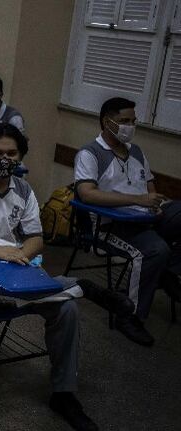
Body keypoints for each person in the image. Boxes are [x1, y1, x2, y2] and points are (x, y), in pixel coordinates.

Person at [0, 123, 98, 430]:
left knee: (66, 309)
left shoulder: (22, 189)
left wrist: (23, 252)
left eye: (11, 153)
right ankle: (78, 287)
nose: (4, 159)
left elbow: (36, 238)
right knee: (63, 294)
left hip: (16, 275)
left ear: (20, 155)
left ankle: (63, 394)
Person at [74, 97, 181, 347]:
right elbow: (86, 193)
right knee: (156, 250)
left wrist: (153, 203)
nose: (130, 126)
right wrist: (139, 200)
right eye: (124, 121)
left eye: (133, 121)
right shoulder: (90, 153)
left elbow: (150, 186)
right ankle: (129, 316)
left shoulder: (136, 152)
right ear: (106, 121)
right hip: (111, 225)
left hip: (145, 219)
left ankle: (168, 271)